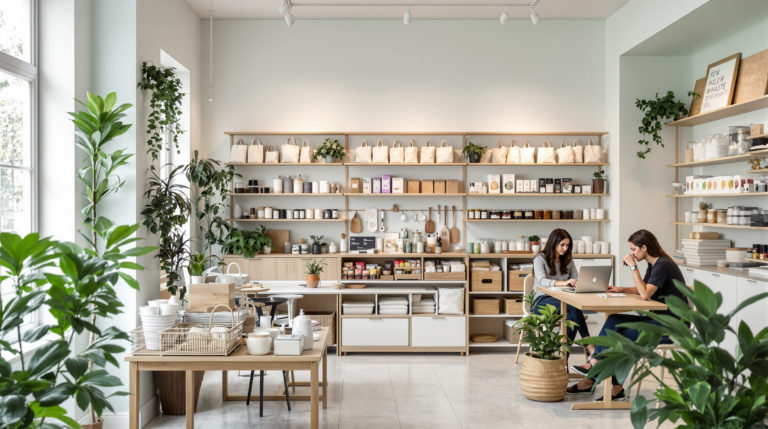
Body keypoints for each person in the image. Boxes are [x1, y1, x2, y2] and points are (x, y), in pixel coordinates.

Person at [567, 229, 686, 400]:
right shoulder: (655, 264)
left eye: (633, 249)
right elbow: (644, 288)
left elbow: (645, 294)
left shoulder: (663, 264)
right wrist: (620, 289)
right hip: (658, 321)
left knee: (618, 336)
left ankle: (595, 371)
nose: (631, 253)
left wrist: (633, 266)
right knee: (615, 320)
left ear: (644, 247)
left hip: (670, 327)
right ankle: (611, 384)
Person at [531, 228, 594, 352]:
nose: (565, 248)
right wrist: (563, 283)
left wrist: (582, 283)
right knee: (573, 307)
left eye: (568, 245)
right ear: (553, 243)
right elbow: (542, 281)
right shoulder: (540, 259)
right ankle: (589, 344)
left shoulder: (568, 260)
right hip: (541, 301)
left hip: (563, 300)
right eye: (562, 245)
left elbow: (576, 279)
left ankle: (563, 357)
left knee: (571, 317)